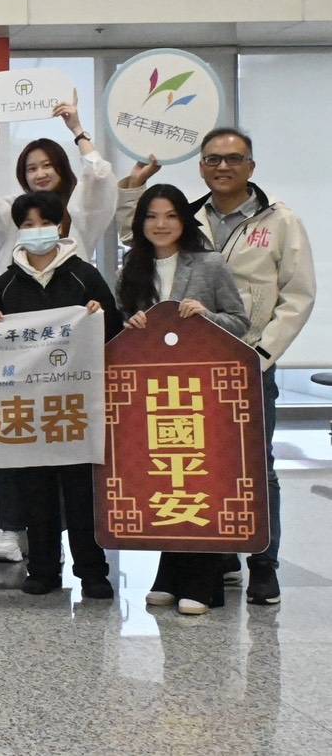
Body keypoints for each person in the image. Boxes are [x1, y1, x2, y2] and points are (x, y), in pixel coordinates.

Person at [118, 128, 314, 606]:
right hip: (181, 374)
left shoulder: (280, 220)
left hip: (250, 363)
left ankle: (263, 565)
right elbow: (140, 233)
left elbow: (298, 296)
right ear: (201, 166)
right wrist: (132, 188)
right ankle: (212, 558)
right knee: (188, 465)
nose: (222, 167)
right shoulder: (191, 216)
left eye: (233, 158)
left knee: (255, 466)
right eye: (212, 159)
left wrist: (260, 355)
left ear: (251, 165)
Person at [0, 98, 116, 563]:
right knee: (17, 440)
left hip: (71, 360)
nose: (40, 173)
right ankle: (13, 528)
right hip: (20, 354)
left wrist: (78, 128)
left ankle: (80, 553)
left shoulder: (79, 217)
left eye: (48, 165)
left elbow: (101, 178)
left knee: (71, 453)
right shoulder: (14, 219)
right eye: (31, 167)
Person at [117, 184, 249, 615]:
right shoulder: (131, 267)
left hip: (201, 395)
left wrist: (207, 316)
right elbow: (119, 330)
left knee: (200, 480)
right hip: (154, 397)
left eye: (171, 215)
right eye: (152, 216)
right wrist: (130, 324)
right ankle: (169, 576)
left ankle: (203, 582)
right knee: (167, 480)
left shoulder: (209, 263)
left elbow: (240, 323)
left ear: (184, 220)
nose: (161, 224)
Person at [0, 191, 120, 600]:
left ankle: (92, 571)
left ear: (60, 226)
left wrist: (99, 315)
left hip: (77, 404)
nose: (36, 231)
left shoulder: (85, 276)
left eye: (44, 222)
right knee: (36, 490)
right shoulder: (5, 285)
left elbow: (114, 330)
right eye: (27, 225)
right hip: (29, 406)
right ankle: (43, 569)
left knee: (81, 492)